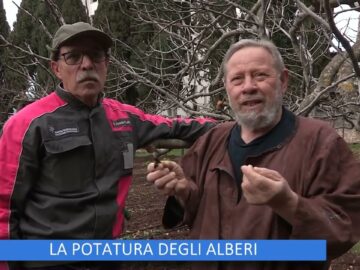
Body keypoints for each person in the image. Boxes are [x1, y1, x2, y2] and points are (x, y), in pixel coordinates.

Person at [0, 22, 215, 270]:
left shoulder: (124, 118)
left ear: (106, 64)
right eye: (73, 56)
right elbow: (4, 208)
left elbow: (179, 126)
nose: (87, 64)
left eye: (96, 55)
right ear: (56, 68)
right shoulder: (26, 124)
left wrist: (237, 128)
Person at [146, 39, 360, 270]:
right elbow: (198, 213)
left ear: (283, 81)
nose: (248, 87)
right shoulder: (211, 141)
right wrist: (184, 191)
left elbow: (344, 229)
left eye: (260, 75)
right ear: (227, 88)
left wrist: (288, 203)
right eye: (237, 79)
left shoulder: (321, 142)